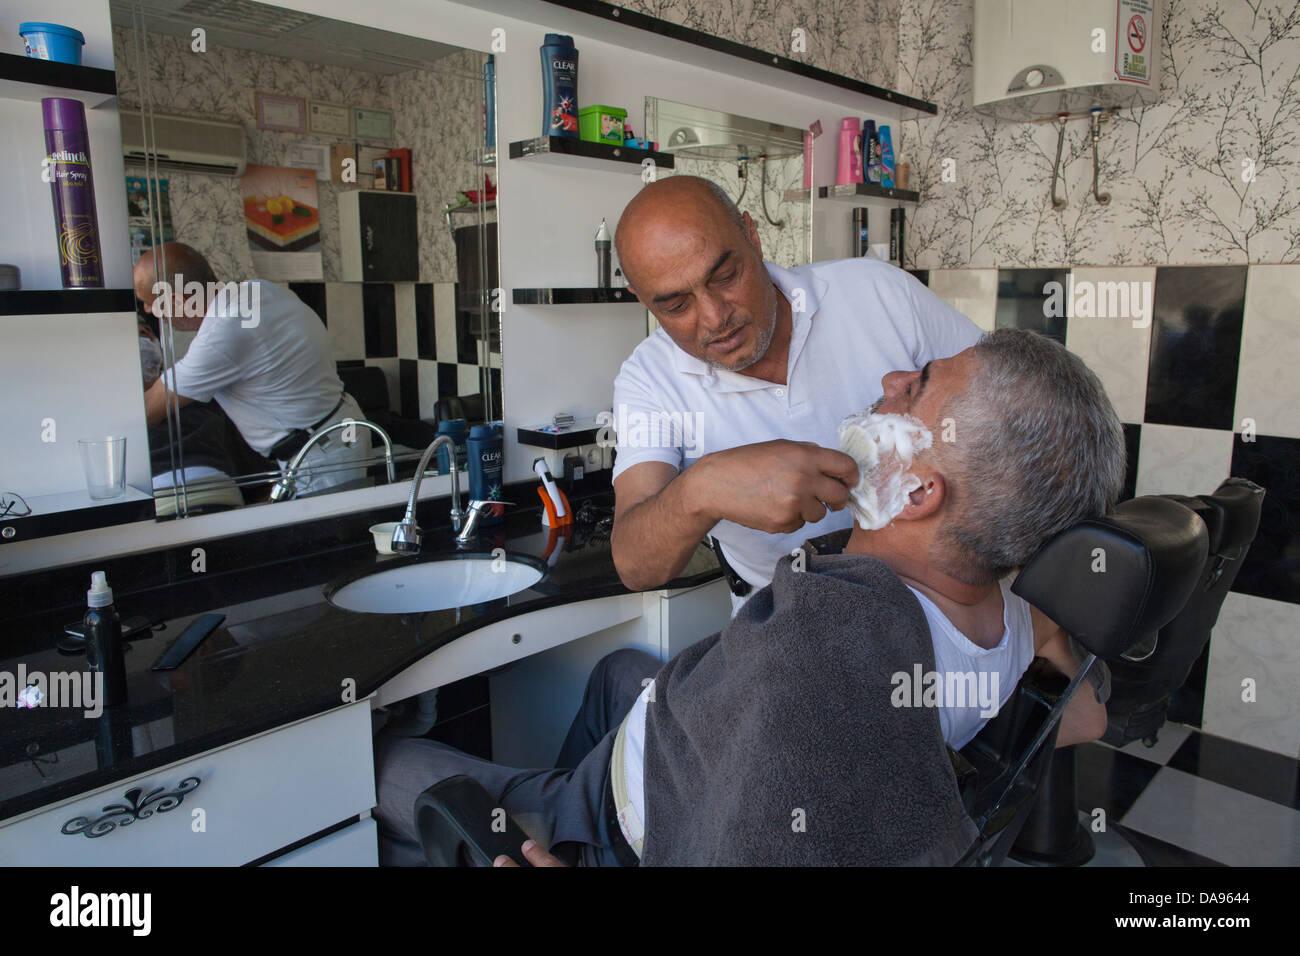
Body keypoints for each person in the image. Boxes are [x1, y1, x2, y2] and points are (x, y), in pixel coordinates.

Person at [373, 328, 1126, 866]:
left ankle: (574, 821)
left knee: (382, 764)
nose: (894, 380)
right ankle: (574, 793)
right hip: (679, 745)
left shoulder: (817, 652)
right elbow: (1085, 712)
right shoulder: (1010, 608)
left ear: (922, 490)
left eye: (920, 384)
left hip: (643, 819)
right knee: (616, 677)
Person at [609, 176, 983, 613]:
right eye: (676, 306)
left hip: (941, 596)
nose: (714, 318)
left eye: (726, 276)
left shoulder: (878, 293)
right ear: (642, 300)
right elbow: (635, 565)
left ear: (753, 235)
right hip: (788, 624)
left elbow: (1009, 395)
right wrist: (703, 488)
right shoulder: (648, 380)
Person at [133, 243, 371, 497]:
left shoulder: (223, 332)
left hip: (319, 452)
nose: (149, 312)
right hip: (338, 431)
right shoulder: (259, 290)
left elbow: (147, 411)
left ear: (175, 301)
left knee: (325, 534)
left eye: (150, 304)